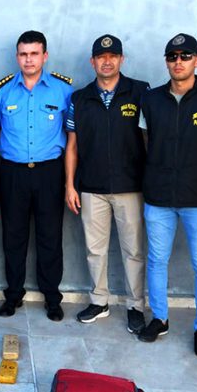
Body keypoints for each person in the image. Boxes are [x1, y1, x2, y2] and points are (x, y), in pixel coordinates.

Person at [138, 33, 197, 357]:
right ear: (166, 62)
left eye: (185, 56)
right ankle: (159, 318)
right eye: (173, 56)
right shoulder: (150, 100)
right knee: (156, 260)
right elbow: (146, 142)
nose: (179, 62)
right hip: (159, 196)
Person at [64, 35, 148, 333]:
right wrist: (70, 185)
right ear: (93, 62)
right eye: (101, 57)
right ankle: (99, 301)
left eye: (113, 56)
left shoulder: (140, 92)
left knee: (133, 251)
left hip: (131, 186)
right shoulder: (79, 98)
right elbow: (72, 146)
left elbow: (150, 139)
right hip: (92, 188)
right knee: (94, 249)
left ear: (121, 59)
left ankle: (135, 306)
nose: (107, 61)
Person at [0, 30, 73, 321]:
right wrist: (17, 150)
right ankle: (14, 295)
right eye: (23, 54)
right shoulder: (2, 90)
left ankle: (52, 298)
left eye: (34, 53)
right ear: (17, 57)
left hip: (50, 172)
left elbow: (71, 133)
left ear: (44, 56)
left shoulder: (62, 90)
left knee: (50, 235)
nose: (29, 59)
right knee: (13, 236)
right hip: (13, 173)